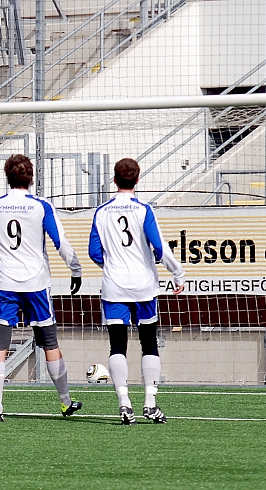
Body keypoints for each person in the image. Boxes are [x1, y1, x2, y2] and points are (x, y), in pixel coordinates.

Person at [0, 154, 83, 422]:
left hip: (4, 283)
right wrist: (75, 269)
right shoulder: (41, 206)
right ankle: (65, 401)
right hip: (36, 283)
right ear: (31, 177)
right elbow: (59, 241)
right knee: (50, 343)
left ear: (7, 176)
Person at [88, 158, 185, 425]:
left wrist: (112, 265)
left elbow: (94, 252)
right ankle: (150, 404)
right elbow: (159, 247)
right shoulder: (144, 210)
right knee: (149, 342)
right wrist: (177, 273)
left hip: (114, 287)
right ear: (137, 180)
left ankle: (124, 403)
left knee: (117, 345)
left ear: (114, 180)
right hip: (144, 287)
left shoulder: (101, 211)